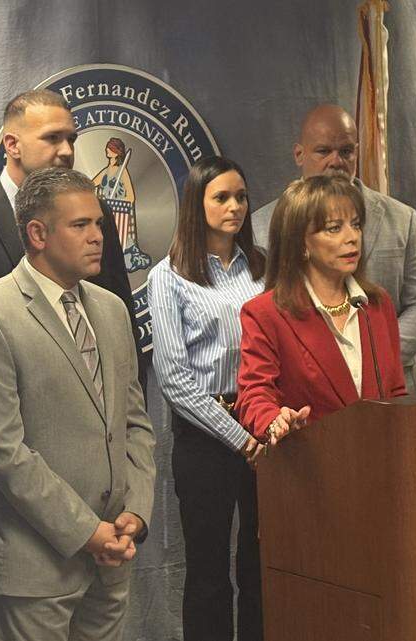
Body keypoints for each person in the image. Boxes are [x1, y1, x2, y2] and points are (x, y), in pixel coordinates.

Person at [0, 89, 142, 641]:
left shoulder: (94, 222)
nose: (68, 148)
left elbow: (119, 358)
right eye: (53, 138)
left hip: (106, 513)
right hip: (9, 502)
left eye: (71, 136)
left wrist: (130, 495)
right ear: (12, 144)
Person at [0, 167, 156, 641]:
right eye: (80, 225)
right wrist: (87, 531)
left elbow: (134, 424)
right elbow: (4, 452)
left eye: (99, 224)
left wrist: (138, 513)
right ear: (38, 233)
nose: (97, 237)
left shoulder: (110, 308)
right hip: (32, 567)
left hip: (112, 557)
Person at [147, 156, 266, 641]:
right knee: (209, 571)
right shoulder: (169, 276)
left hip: (265, 425)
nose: (234, 206)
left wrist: (260, 430)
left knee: (263, 562)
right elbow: (173, 378)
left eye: (240, 196)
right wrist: (240, 439)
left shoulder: (263, 267)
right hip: (205, 435)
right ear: (197, 204)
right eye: (221, 197)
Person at [251, 104, 416, 393]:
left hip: (393, 390)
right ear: (299, 154)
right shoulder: (262, 227)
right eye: (324, 151)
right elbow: (267, 316)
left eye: (346, 151)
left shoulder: (401, 218)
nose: (336, 161)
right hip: (311, 395)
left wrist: (374, 357)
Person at [237, 175, 406, 447]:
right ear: (301, 242)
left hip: (382, 466)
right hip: (312, 471)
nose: (352, 238)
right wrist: (275, 421)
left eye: (356, 225)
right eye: (333, 228)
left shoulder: (376, 305)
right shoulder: (265, 313)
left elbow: (397, 392)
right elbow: (254, 394)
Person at [92, 137, 150, 271]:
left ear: (117, 152)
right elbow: (91, 184)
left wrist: (116, 204)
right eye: (107, 147)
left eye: (110, 148)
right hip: (106, 212)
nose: (107, 149)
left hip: (119, 214)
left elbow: (130, 196)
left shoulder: (122, 171)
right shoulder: (106, 170)